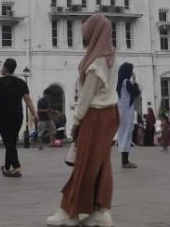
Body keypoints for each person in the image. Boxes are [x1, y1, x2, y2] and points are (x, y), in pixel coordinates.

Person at [47, 13, 118, 227]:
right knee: (102, 165)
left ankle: (70, 211)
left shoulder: (96, 61)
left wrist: (75, 122)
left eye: (87, 33)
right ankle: (100, 210)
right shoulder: (112, 56)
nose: (85, 38)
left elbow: (86, 96)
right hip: (110, 114)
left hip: (95, 115)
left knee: (84, 165)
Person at [0, 58, 38, 177]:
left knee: (8, 142)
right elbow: (27, 100)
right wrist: (35, 113)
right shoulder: (21, 83)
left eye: (3, 66)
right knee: (12, 141)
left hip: (4, 115)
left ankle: (17, 166)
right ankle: (7, 167)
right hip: (17, 116)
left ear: (5, 68)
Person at [116, 61, 140, 168]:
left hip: (121, 111)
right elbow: (136, 92)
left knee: (122, 134)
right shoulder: (127, 82)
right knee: (127, 134)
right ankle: (125, 161)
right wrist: (134, 80)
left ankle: (124, 159)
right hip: (127, 111)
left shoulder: (119, 83)